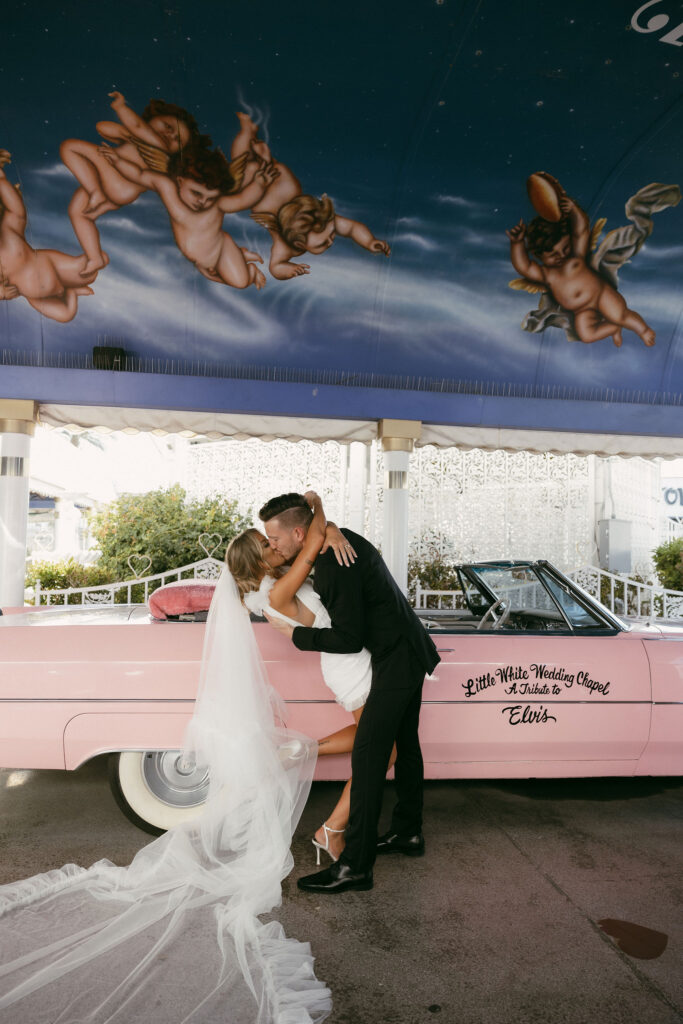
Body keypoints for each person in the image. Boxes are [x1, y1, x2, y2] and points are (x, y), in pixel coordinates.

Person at [0, 556, 332, 1021]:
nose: (279, 554)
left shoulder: (248, 596)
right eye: (271, 549)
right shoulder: (273, 595)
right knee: (267, 761)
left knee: (253, 764)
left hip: (239, 691)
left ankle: (237, 815)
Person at [259, 492, 440, 894]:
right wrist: (331, 524)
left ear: (299, 532)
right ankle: (407, 833)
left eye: (275, 538)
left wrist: (297, 635)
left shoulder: (331, 565)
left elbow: (349, 639)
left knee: (370, 755)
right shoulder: (333, 543)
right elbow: (315, 508)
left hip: (396, 657)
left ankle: (356, 866)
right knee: (405, 746)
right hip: (406, 649)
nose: (272, 545)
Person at [226, 492, 396, 864]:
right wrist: (320, 510)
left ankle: (303, 750)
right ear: (256, 559)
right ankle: (331, 831)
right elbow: (312, 539)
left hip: (347, 658)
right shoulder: (277, 594)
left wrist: (329, 527)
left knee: (376, 741)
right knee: (384, 752)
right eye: (265, 543)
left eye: (270, 538)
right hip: (348, 663)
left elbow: (312, 537)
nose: (272, 544)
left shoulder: (271, 588)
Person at [61, 93, 208, 276]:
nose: (170, 135)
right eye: (169, 126)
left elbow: (136, 125)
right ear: (153, 119)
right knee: (78, 212)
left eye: (177, 140)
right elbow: (104, 127)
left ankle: (95, 191)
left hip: (115, 178)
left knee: (70, 147)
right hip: (121, 190)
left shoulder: (156, 147)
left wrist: (120, 107)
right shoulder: (140, 138)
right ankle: (94, 256)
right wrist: (127, 134)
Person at [230, 112, 391, 280]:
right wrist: (287, 268)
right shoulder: (285, 246)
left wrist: (369, 242)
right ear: (300, 244)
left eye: (329, 237)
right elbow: (275, 267)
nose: (330, 241)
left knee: (254, 163)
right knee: (241, 163)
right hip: (265, 188)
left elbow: (352, 228)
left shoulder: (322, 221)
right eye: (323, 243)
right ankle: (248, 132)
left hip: (282, 184)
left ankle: (265, 158)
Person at [100, 142, 274, 289]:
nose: (203, 202)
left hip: (221, 250)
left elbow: (243, 200)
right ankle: (239, 257)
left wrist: (259, 184)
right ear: (180, 181)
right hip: (202, 260)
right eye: (196, 193)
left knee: (241, 282)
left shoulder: (217, 206)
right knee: (225, 278)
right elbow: (139, 174)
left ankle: (249, 269)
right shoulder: (168, 189)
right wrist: (117, 161)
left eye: (210, 198)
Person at [507, 181, 656, 348]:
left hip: (600, 295)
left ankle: (643, 330)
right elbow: (524, 267)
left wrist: (574, 209)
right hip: (582, 311)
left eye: (565, 248)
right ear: (540, 256)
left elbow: (581, 230)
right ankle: (614, 327)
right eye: (553, 255)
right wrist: (517, 244)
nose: (562, 255)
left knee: (620, 314)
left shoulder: (576, 257)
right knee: (586, 335)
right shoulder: (546, 274)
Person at [0, 150, 101, 322]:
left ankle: (72, 285)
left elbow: (16, 210)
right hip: (32, 292)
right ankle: (71, 292)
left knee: (91, 271)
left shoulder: (9, 229)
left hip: (49, 264)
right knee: (65, 314)